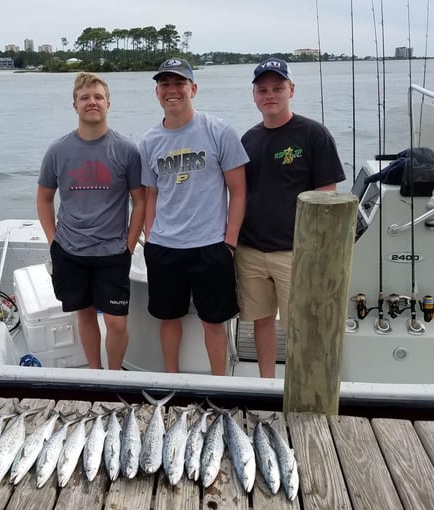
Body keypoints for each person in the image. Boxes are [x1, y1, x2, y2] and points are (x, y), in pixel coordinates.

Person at [237, 57, 346, 378]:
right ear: (254, 95)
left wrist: (316, 250)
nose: (270, 95)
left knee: (301, 324)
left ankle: (303, 384)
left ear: (291, 90)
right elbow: (239, 192)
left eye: (277, 88)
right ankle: (267, 384)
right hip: (251, 250)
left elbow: (327, 193)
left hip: (295, 251)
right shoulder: (248, 139)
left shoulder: (314, 135)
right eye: (263, 90)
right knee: (261, 320)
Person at [139, 57, 248, 376]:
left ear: (193, 89)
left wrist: (229, 243)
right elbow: (151, 193)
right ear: (157, 93)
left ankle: (219, 387)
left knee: (213, 323)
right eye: (165, 84)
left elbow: (238, 190)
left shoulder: (219, 131)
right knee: (168, 319)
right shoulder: (149, 141)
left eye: (179, 83)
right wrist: (150, 239)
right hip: (164, 247)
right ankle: (171, 382)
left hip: (211, 246)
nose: (172, 90)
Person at [37, 72, 145, 370]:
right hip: (70, 251)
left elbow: (141, 201)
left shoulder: (126, 150)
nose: (92, 102)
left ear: (108, 103)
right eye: (85, 98)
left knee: (117, 322)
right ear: (75, 106)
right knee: (84, 315)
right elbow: (44, 198)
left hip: (113, 252)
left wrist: (130, 244)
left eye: (98, 97)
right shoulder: (58, 150)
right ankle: (96, 374)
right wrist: (53, 240)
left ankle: (114, 374)